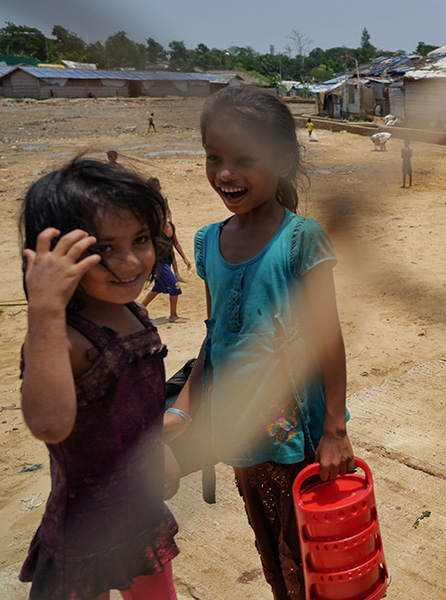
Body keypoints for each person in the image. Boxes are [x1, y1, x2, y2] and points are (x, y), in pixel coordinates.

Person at [175, 86, 353, 600]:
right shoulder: (209, 241)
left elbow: (329, 337)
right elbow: (213, 337)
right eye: (214, 158)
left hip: (303, 442)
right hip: (241, 435)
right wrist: (185, 413)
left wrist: (336, 430)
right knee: (273, 554)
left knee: (320, 557)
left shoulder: (302, 239)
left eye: (244, 159)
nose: (225, 174)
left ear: (282, 161)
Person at [17, 157, 180, 600]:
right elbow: (49, 426)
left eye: (141, 239)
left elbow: (138, 408)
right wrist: (46, 307)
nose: (129, 261)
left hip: (141, 515)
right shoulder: (62, 339)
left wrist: (159, 446)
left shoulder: (134, 314)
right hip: (83, 532)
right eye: (105, 248)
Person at [140, 178, 191, 323]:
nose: (162, 216)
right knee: (175, 286)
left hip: (166, 261)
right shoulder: (154, 231)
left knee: (158, 288)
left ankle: (140, 308)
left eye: (164, 213)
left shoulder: (171, 227)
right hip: (159, 263)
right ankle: (173, 316)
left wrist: (185, 259)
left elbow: (176, 244)